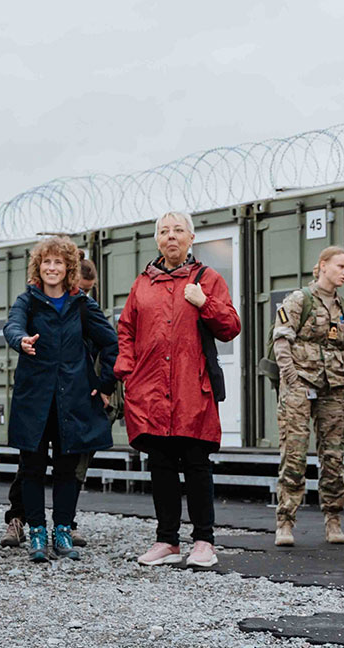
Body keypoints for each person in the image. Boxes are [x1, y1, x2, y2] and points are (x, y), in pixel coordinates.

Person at [115, 211, 240, 569]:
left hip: (192, 389)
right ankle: (167, 541)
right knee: (161, 464)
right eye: (164, 231)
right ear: (157, 240)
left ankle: (204, 541)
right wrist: (127, 371)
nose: (171, 236)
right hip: (152, 390)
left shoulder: (208, 279)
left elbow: (231, 326)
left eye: (178, 231)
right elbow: (126, 329)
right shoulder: (143, 284)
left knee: (197, 464)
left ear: (191, 237)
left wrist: (205, 303)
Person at [2, 236, 118, 562]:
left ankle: (63, 529)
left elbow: (111, 343)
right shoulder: (28, 301)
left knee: (68, 469)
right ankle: (37, 531)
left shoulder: (81, 304)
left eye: (58, 262)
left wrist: (104, 383)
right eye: (46, 262)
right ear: (38, 267)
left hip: (74, 399)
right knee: (32, 467)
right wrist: (21, 340)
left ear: (69, 268)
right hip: (34, 398)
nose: (52, 268)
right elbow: (12, 326)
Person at [271, 246, 344, 546]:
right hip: (299, 385)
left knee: (333, 455)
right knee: (294, 452)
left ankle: (333, 519)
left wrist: (343, 367)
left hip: (333, 388)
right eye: (340, 266)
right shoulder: (300, 300)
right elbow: (281, 339)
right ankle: (285, 521)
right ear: (322, 266)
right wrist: (291, 378)